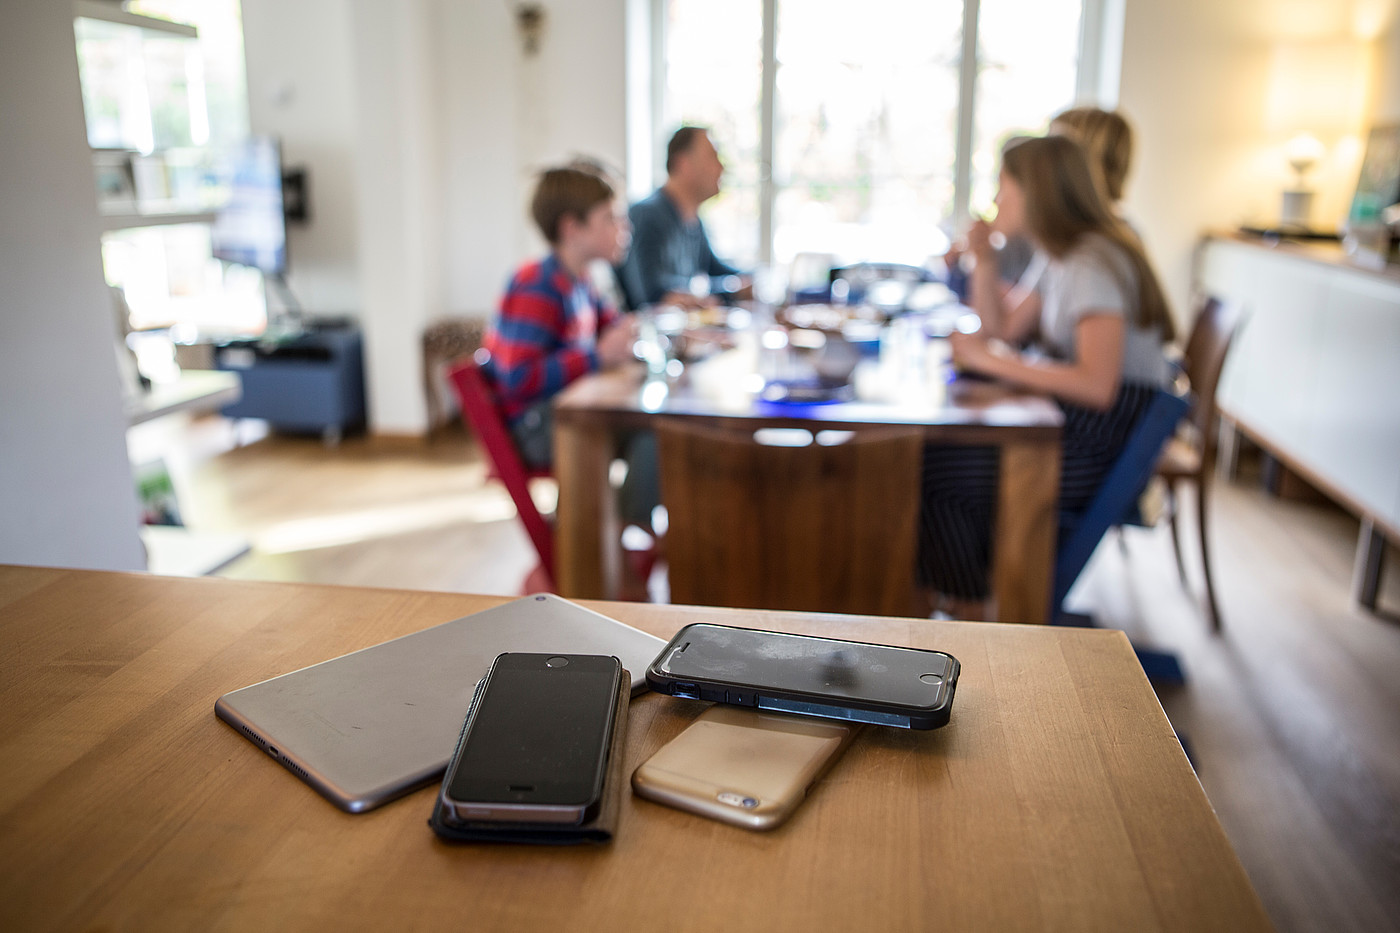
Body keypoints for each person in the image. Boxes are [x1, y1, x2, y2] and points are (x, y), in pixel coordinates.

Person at [919, 134, 1176, 619]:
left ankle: (971, 626)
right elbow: (1003, 331)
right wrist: (986, 260)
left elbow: (1097, 387)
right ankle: (960, 604)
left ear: (1035, 191)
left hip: (1099, 441)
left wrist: (986, 360)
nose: (996, 199)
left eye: (1003, 185)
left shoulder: (1091, 260)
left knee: (940, 474)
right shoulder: (1060, 253)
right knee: (935, 458)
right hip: (1072, 423)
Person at [482, 162, 657, 529]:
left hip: (562, 415)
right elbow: (518, 377)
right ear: (572, 228)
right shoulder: (537, 284)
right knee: (656, 435)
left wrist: (630, 331)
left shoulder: (581, 280)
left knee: (656, 430)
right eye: (610, 218)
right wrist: (598, 355)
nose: (623, 228)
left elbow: (614, 326)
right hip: (534, 428)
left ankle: (617, 535)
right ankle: (618, 538)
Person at [619, 126, 749, 309]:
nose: (722, 167)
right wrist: (733, 289)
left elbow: (715, 269)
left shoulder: (692, 218)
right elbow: (651, 294)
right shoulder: (646, 215)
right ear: (683, 164)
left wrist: (753, 280)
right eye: (713, 157)